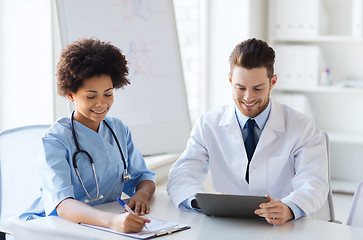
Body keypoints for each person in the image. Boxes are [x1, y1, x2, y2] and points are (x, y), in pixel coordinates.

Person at [167, 38, 329, 225]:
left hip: (284, 227)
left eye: (258, 88)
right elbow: (181, 175)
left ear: (272, 82)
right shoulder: (208, 124)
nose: (248, 97)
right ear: (230, 80)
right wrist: (200, 203)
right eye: (240, 88)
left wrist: (290, 207)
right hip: (228, 225)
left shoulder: (302, 127)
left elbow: (315, 182)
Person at [20, 38, 156, 233]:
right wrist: (112, 221)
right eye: (91, 96)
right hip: (51, 228)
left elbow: (143, 176)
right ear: (70, 95)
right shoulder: (55, 141)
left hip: (100, 225)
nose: (101, 104)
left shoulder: (118, 130)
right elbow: (63, 204)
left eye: (108, 94)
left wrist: (141, 194)